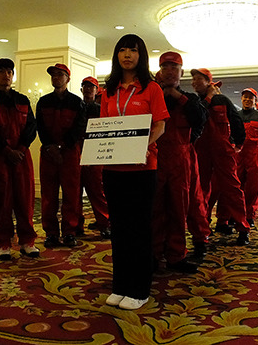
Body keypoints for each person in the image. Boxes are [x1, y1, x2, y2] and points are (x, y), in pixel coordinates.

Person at [100, 34, 169, 311]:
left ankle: (139, 289)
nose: (127, 55)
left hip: (142, 168)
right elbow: (104, 127)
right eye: (123, 50)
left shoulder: (151, 89)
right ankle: (121, 285)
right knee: (118, 227)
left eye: (133, 50)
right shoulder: (108, 91)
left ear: (141, 56)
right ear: (116, 55)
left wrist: (143, 146)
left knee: (139, 228)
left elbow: (160, 126)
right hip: (113, 168)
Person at [153, 52, 207, 273]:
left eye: (174, 67)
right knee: (154, 208)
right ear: (159, 71)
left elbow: (200, 119)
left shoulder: (190, 99)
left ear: (181, 73)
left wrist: (176, 95)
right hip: (154, 157)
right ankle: (154, 254)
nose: (169, 71)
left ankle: (176, 255)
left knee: (179, 208)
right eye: (165, 67)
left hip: (180, 159)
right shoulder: (151, 96)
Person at [0, 58, 39, 261]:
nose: (6, 75)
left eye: (9, 71)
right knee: (2, 200)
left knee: (25, 199)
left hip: (22, 156)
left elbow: (31, 126)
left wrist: (21, 148)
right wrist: (7, 149)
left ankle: (28, 241)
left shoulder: (22, 100)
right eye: (1, 71)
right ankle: (3, 243)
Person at [191, 68, 249, 245]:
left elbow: (236, 120)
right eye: (192, 79)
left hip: (222, 149)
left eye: (198, 79)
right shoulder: (194, 101)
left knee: (232, 187)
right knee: (201, 189)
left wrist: (238, 143)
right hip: (201, 150)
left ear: (208, 81)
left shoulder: (222, 100)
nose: (194, 82)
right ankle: (203, 226)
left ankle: (242, 228)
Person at [36, 63, 86, 249]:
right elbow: (40, 127)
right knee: (48, 195)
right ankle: (51, 233)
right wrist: (51, 148)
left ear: (68, 78)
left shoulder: (77, 102)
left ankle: (69, 232)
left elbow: (79, 128)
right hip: (48, 153)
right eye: (53, 75)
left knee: (71, 195)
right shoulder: (43, 102)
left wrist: (61, 147)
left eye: (60, 74)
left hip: (69, 153)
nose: (56, 77)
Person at [78, 76, 110, 239]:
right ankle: (77, 225)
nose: (88, 89)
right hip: (76, 152)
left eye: (92, 87)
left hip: (95, 153)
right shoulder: (76, 107)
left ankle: (104, 223)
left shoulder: (101, 110)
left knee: (96, 191)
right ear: (81, 89)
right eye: (85, 86)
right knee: (74, 192)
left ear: (97, 91)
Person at [237, 88, 258, 227]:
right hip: (238, 154)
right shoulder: (236, 115)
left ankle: (250, 215)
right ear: (241, 99)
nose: (247, 100)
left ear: (255, 100)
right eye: (245, 97)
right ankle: (237, 213)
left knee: (253, 186)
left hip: (255, 154)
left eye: (250, 98)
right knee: (237, 185)